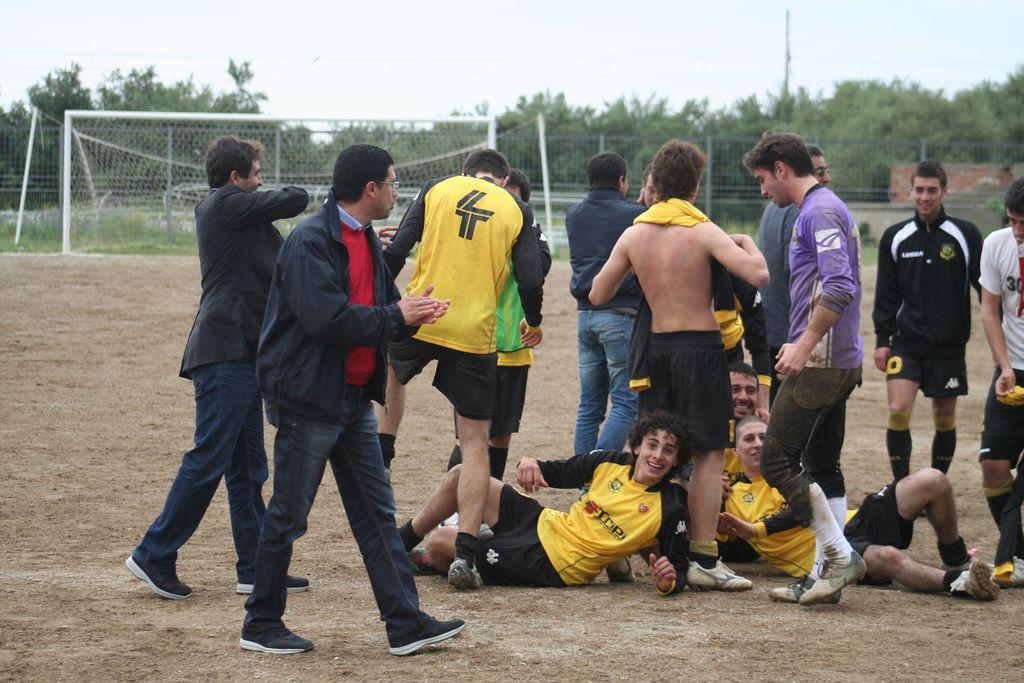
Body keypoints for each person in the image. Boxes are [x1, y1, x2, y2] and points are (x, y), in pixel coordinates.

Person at [240, 144, 463, 656]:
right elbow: (328, 319)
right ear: (370, 189)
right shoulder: (310, 241)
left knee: (377, 516)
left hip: (354, 401)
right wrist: (398, 316)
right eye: (392, 183)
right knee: (288, 515)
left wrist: (416, 312)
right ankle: (260, 623)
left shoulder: (363, 238)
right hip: (309, 401)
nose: (396, 192)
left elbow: (384, 308)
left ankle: (405, 624)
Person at [126, 136, 309, 600]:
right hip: (223, 353)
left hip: (243, 354)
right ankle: (153, 553)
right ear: (234, 177)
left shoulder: (242, 217)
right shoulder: (223, 205)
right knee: (209, 457)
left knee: (248, 470)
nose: (261, 180)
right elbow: (295, 198)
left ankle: (257, 567)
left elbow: (287, 261)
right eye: (256, 173)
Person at [590, 139, 768, 591]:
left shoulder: (634, 234)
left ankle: (628, 541)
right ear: (695, 185)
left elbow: (597, 293)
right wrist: (747, 241)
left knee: (651, 447)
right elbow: (758, 275)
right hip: (700, 349)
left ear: (655, 182)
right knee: (708, 453)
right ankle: (704, 558)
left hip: (654, 351)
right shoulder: (704, 230)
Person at [380, 149, 545, 590]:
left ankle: (383, 452)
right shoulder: (516, 207)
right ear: (504, 180)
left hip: (423, 311)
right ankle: (466, 553)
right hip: (474, 330)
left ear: (464, 173)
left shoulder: (438, 188)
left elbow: (398, 249)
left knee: (392, 371)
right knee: (475, 443)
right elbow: (530, 278)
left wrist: (378, 300)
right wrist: (534, 320)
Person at [741, 131, 863, 605]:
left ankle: (839, 557)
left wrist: (803, 344)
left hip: (820, 360)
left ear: (781, 169)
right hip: (837, 358)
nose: (762, 189)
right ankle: (823, 575)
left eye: (762, 179)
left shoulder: (819, 211)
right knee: (822, 464)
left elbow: (839, 286)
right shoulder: (821, 207)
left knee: (776, 459)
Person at [399, 412, 692, 593]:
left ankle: (466, 553)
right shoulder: (611, 462)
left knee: (439, 543)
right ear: (638, 446)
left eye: (668, 451)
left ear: (676, 461)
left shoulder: (669, 508)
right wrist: (529, 462)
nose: (657, 456)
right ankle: (401, 540)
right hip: (541, 520)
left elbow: (678, 569)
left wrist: (667, 583)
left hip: (550, 562)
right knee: (462, 474)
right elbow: (556, 471)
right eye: (652, 445)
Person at [718, 416, 999, 603]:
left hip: (856, 520)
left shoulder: (793, 471)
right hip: (830, 551)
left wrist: (757, 529)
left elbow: (815, 503)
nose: (758, 444)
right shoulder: (731, 496)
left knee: (933, 479)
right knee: (888, 557)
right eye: (749, 439)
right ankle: (961, 583)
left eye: (764, 437)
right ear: (735, 451)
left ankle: (955, 558)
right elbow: (721, 538)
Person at [873, 160, 983, 480]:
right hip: (906, 344)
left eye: (932, 190)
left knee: (944, 417)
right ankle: (901, 486)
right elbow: (886, 293)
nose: (925, 197)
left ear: (944, 191)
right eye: (919, 190)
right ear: (910, 191)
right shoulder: (895, 236)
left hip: (948, 346)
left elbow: (985, 289)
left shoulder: (965, 234)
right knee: (898, 410)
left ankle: (936, 484)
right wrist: (881, 340)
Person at [447, 168, 552, 479]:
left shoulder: (529, 233)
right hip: (472, 342)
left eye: (513, 200)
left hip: (511, 346)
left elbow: (538, 272)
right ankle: (453, 502)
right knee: (468, 436)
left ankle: (486, 500)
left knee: (501, 434)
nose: (505, 205)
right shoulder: (473, 233)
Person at [640, 172, 772, 418]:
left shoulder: (736, 274)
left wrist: (763, 402)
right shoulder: (652, 255)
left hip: (722, 355)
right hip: (670, 353)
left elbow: (759, 342)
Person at [566, 152, 646, 455]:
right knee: (626, 403)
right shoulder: (634, 215)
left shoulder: (574, 214)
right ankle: (597, 469)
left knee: (589, 405)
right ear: (621, 180)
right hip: (621, 315)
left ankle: (581, 475)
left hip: (585, 316)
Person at [757, 144, 832, 405]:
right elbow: (803, 277)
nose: (826, 178)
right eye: (819, 171)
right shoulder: (796, 209)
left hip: (774, 330)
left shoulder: (774, 207)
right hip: (792, 337)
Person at [977, 178, 1024, 588]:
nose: (1018, 231)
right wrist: (1003, 365)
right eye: (1012, 221)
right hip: (1012, 370)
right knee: (993, 466)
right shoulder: (996, 244)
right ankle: (1019, 554)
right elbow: (990, 309)